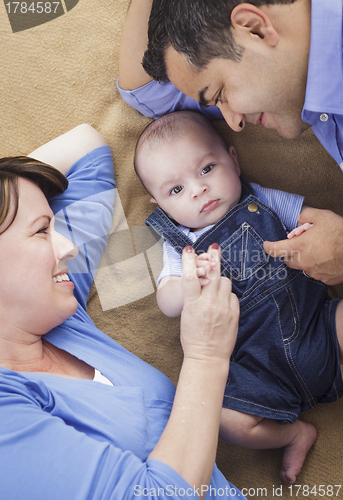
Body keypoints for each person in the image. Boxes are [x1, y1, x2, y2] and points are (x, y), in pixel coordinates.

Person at [0, 124, 244, 499]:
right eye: (42, 231)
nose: (68, 247)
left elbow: (86, 150)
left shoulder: (57, 312)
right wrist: (207, 357)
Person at [134, 110, 343, 484]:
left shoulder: (261, 198)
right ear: (159, 205)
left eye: (206, 169)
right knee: (224, 421)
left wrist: (306, 231)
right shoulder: (180, 248)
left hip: (320, 331)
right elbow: (167, 303)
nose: (198, 190)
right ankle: (294, 433)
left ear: (233, 158)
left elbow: (315, 222)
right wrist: (187, 283)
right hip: (257, 374)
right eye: (176, 190)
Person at [118, 0, 343, 286]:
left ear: (254, 27)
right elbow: (145, 90)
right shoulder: (287, 83)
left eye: (220, 93)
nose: (234, 122)